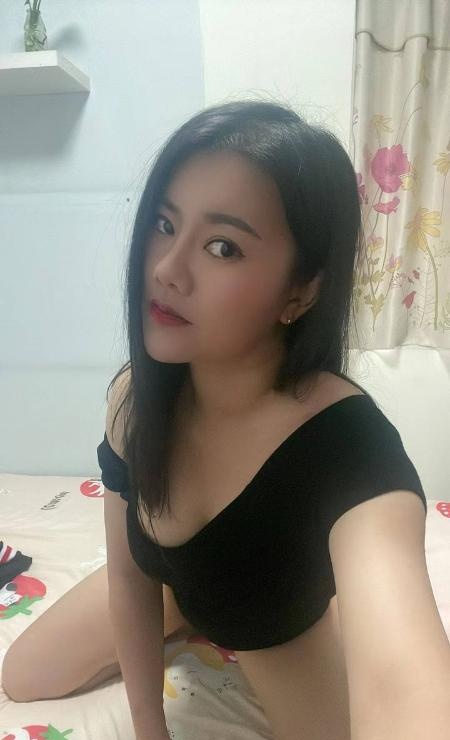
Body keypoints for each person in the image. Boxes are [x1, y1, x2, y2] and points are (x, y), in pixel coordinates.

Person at [2, 100, 430, 740]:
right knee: (22, 676)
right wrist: (150, 725)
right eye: (165, 224)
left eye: (222, 247)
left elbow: (405, 687)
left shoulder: (347, 448)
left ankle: (329, 605)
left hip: (268, 621)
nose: (166, 270)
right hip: (176, 588)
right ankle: (189, 608)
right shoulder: (136, 396)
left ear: (301, 290)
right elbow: (131, 573)